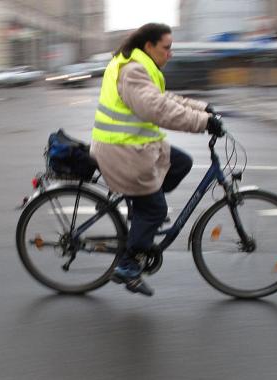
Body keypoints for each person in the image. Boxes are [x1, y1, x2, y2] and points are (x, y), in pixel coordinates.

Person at [90, 23, 224, 297]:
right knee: (155, 210)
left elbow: (163, 98)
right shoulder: (133, 71)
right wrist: (203, 123)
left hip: (136, 148)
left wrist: (202, 108)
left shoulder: (140, 65)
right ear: (149, 46)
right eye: (167, 47)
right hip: (123, 152)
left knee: (182, 162)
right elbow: (159, 109)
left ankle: (142, 211)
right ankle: (128, 266)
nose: (170, 53)